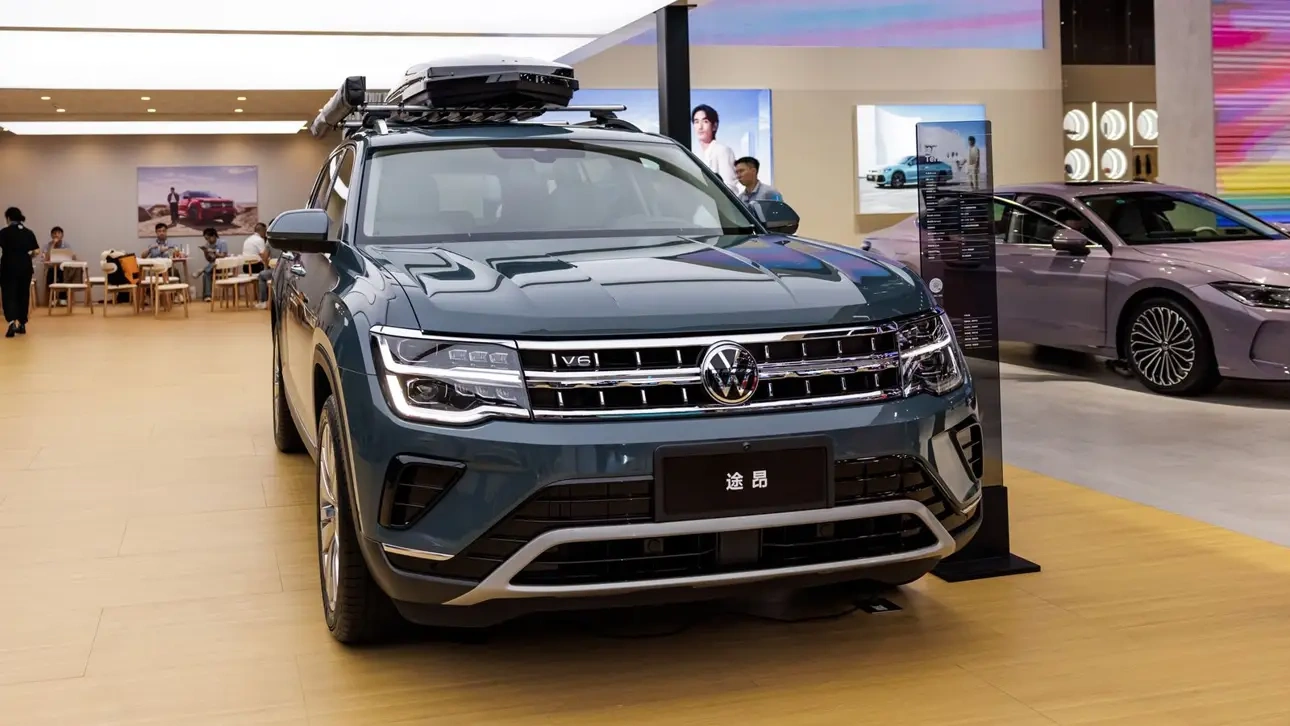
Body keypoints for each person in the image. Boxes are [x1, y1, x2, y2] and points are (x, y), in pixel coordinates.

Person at [0, 207, 40, 338]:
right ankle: (22, 323)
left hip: (8, 268)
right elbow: (36, 251)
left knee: (9, 295)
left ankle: (12, 322)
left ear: (8, 218)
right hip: (25, 268)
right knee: (23, 294)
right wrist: (27, 256)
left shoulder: (4, 232)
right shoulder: (28, 232)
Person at [691, 104, 738, 192]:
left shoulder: (723, 150)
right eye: (696, 122)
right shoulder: (695, 154)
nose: (700, 127)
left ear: (714, 126)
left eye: (705, 121)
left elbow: (730, 188)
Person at [241, 222, 273, 309]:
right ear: (262, 231)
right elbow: (264, 256)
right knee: (266, 272)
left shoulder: (248, 239)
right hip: (255, 266)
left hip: (246, 267)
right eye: (265, 231)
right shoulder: (260, 240)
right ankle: (267, 299)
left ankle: (263, 299)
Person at [193, 227, 228, 302]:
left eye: (209, 238)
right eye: (206, 239)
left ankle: (202, 269)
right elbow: (209, 259)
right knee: (206, 274)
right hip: (212, 267)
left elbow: (223, 256)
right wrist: (205, 252)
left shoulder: (222, 243)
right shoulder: (207, 245)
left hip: (223, 266)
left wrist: (214, 252)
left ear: (214, 236)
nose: (208, 241)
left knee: (216, 262)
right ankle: (208, 296)